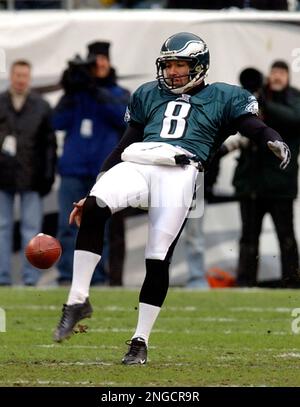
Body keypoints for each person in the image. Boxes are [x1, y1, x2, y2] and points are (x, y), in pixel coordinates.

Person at [53, 32, 290, 364]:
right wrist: (94, 189)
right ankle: (77, 300)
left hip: (180, 170)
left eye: (181, 64)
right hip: (137, 161)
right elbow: (123, 146)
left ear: (199, 65)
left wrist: (272, 139)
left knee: (157, 256)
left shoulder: (224, 96)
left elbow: (253, 124)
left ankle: (139, 341)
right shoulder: (148, 94)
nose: (174, 71)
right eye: (169, 65)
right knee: (94, 207)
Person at [53, 41, 129, 286]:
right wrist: (71, 90)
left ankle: (96, 278)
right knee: (67, 227)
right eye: (95, 61)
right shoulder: (77, 93)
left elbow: (123, 120)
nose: (100, 65)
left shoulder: (119, 94)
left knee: (100, 227)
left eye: (103, 60)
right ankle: (67, 276)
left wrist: (95, 89)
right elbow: (57, 122)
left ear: (109, 63)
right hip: (73, 170)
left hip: (102, 173)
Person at [233, 61, 300, 288]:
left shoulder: (294, 98)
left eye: (282, 73)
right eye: (274, 73)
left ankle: (292, 283)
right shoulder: (255, 99)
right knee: (248, 238)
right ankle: (245, 283)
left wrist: (265, 103)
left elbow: (293, 119)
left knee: (286, 237)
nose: (277, 77)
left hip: (281, 184)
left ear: (288, 76)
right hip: (251, 183)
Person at [0, 60, 57, 286]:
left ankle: (30, 278)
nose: (20, 80)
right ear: (11, 76)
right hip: (2, 177)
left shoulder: (42, 105)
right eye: (17, 75)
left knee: (32, 232)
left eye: (25, 75)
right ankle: (2, 278)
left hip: (32, 178)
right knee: (2, 229)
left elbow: (50, 145)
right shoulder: (0, 102)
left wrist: (48, 176)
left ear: (29, 78)